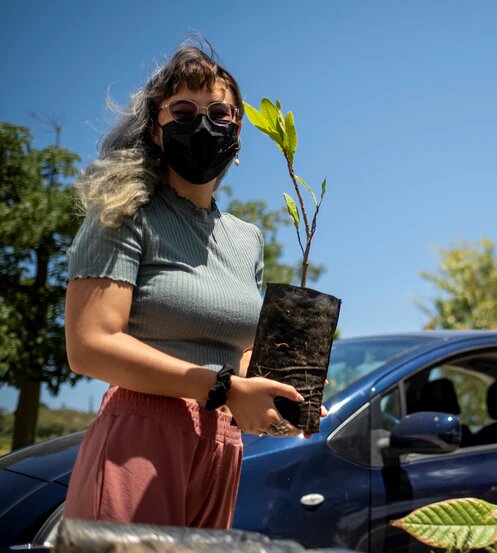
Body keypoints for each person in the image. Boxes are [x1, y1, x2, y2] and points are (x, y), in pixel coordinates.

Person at [62, 44, 316, 529]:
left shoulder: (247, 239)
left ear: (237, 133)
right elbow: (90, 345)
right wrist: (222, 388)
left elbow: (239, 350)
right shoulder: (124, 213)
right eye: (183, 112)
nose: (203, 124)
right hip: (140, 438)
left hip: (221, 445)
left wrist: (285, 391)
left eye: (219, 113)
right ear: (155, 130)